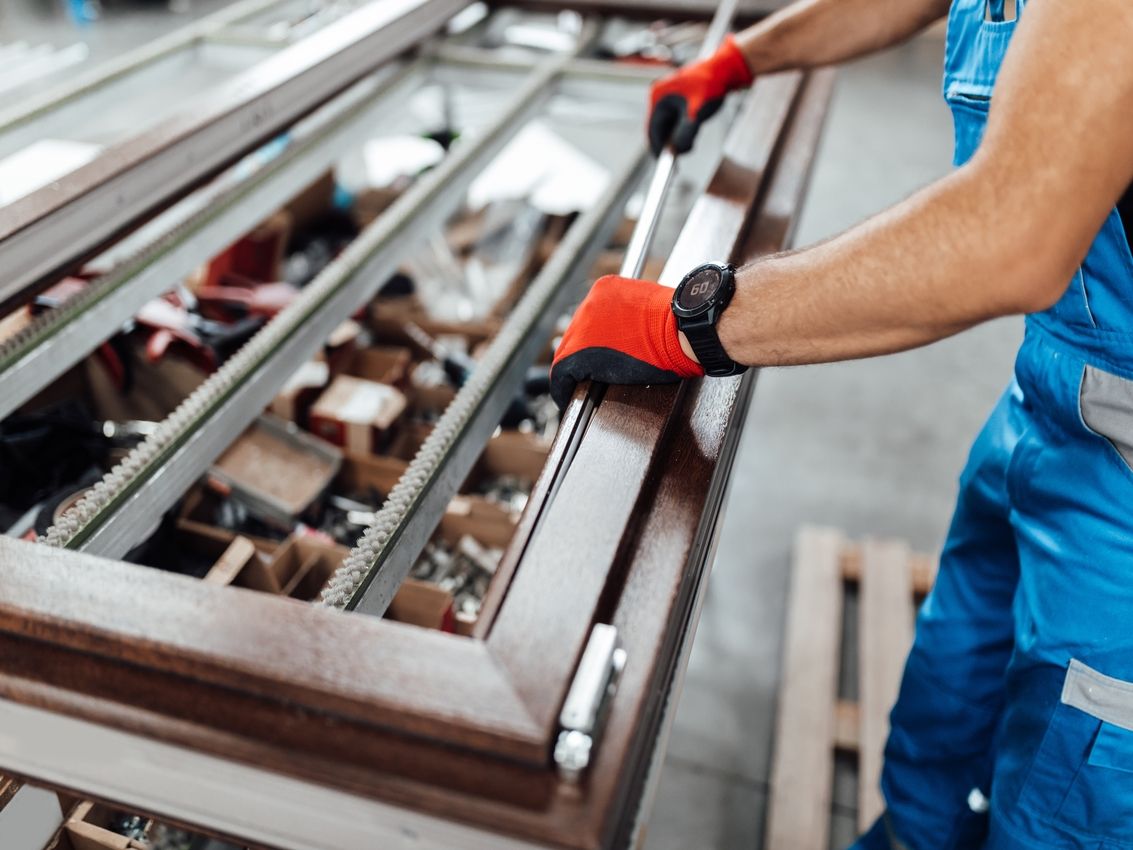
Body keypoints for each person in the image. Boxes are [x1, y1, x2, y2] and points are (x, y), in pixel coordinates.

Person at [550, 1, 1133, 848]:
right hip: (1050, 416)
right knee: (948, 699)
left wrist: (689, 324)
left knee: (1065, 804)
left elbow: (1010, 236)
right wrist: (739, 58)